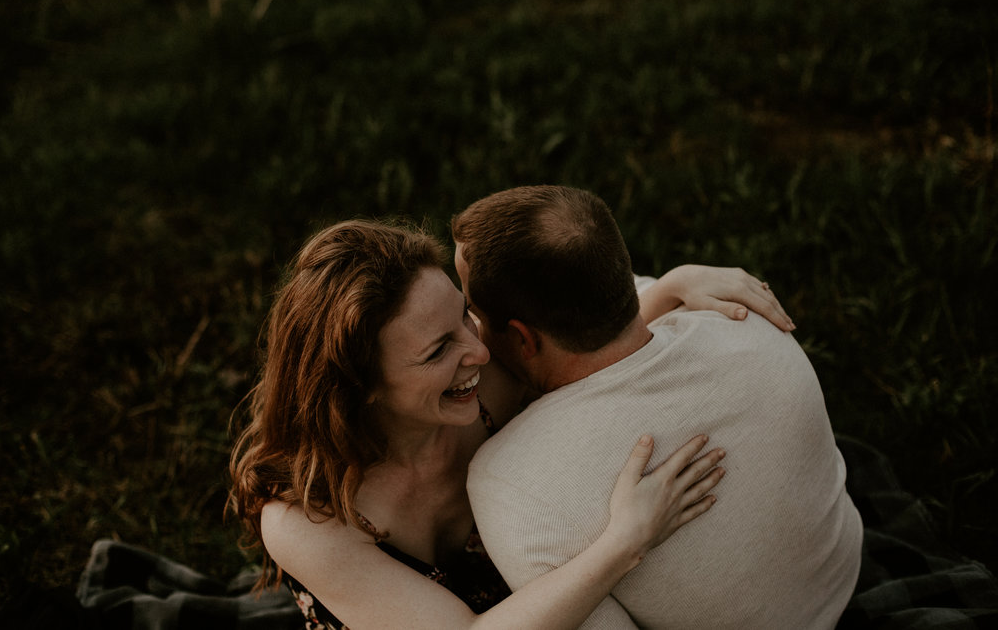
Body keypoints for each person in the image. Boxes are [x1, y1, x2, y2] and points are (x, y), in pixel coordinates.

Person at [228, 218, 790, 629]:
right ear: (362, 387)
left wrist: (670, 287)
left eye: (464, 315)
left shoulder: (486, 377)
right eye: (438, 350)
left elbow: (580, 343)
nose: (478, 350)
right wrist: (625, 540)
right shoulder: (308, 517)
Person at [453, 186, 864, 629]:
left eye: (472, 309)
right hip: (841, 579)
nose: (471, 329)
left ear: (523, 338)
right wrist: (676, 283)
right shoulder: (751, 320)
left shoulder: (511, 484)